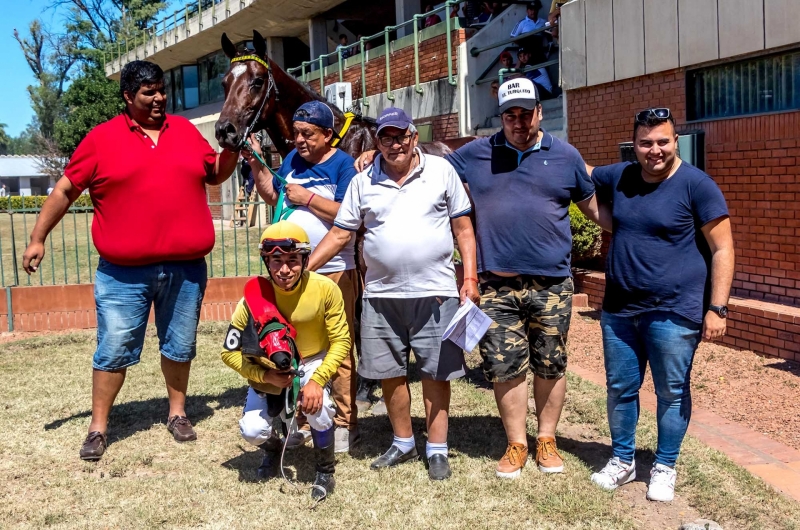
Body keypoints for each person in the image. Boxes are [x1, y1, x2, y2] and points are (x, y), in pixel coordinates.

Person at [354, 79, 600, 479]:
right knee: (505, 366)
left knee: (551, 364)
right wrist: (377, 153)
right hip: (496, 285)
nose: (518, 122)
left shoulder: (566, 155)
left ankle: (547, 439)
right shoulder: (475, 154)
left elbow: (594, 209)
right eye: (510, 115)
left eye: (525, 113)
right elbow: (419, 160)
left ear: (540, 111)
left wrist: (638, 230)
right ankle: (517, 443)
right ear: (501, 117)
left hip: (552, 284)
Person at [21, 60, 239, 461]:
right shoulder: (101, 139)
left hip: (186, 269)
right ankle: (98, 427)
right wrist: (38, 238)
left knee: (179, 346)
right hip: (123, 275)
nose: (159, 99)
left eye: (161, 90)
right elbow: (65, 191)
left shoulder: (186, 131)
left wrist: (233, 151)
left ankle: (176, 414)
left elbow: (214, 173)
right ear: (127, 96)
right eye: (148, 92)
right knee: (114, 348)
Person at [309, 107, 479, 481]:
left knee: (435, 373)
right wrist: (306, 269)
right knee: (389, 374)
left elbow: (464, 230)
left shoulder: (441, 171)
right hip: (380, 295)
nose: (395, 143)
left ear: (414, 137)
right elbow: (341, 234)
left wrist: (469, 278)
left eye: (401, 135)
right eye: (386, 137)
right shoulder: (362, 180)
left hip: (435, 292)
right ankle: (403, 441)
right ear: (378, 141)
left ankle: (436, 448)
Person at [588, 108, 734, 502]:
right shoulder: (618, 176)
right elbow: (579, 172)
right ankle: (623, 460)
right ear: (633, 145)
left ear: (675, 141)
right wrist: (541, 148)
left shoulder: (697, 186)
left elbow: (723, 248)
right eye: (645, 143)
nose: (655, 150)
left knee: (671, 390)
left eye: (662, 142)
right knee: (621, 388)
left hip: (674, 311)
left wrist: (717, 308)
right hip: (620, 309)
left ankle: (665, 466)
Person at [244, 100, 361, 454]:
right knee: (292, 343)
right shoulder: (293, 161)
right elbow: (276, 195)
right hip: (290, 274)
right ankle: (302, 418)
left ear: (329, 135)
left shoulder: (342, 165)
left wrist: (308, 198)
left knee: (337, 349)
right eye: (295, 133)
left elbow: (349, 213)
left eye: (307, 134)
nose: (298, 140)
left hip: (333, 270)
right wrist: (255, 162)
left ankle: (344, 422)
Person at [222, 221, 350, 502]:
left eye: (292, 260)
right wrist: (263, 376)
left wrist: (317, 380)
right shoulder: (252, 300)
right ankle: (273, 449)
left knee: (320, 408)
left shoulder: (325, 289)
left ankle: (325, 470)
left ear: (305, 259)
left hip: (313, 360)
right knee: (252, 430)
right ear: (266, 262)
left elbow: (341, 341)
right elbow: (227, 352)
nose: (283, 270)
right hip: (270, 369)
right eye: (276, 260)